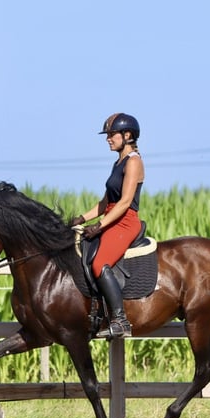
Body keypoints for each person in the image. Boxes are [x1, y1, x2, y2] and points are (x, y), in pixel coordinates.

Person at [70, 113, 144, 338]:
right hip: (113, 216)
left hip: (125, 221)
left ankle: (121, 321)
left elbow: (124, 202)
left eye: (112, 134)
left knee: (100, 262)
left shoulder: (133, 161)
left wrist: (100, 226)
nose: (108, 139)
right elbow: (106, 202)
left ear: (127, 135)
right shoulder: (118, 163)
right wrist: (81, 219)